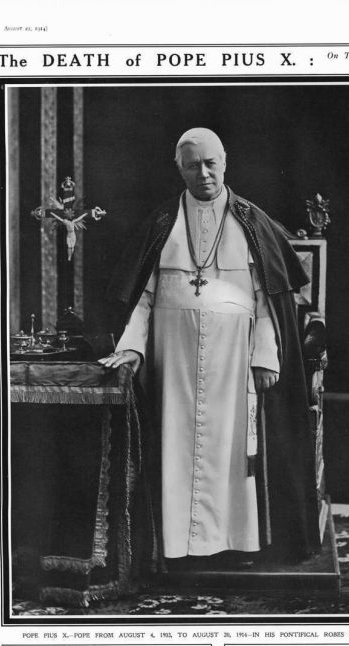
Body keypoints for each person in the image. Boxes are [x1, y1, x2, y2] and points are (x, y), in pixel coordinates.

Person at [100, 128, 320, 566]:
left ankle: (235, 542)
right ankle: (176, 546)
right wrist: (132, 347)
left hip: (234, 361)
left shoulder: (253, 222)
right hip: (173, 359)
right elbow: (143, 298)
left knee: (229, 450)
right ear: (179, 168)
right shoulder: (162, 222)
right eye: (192, 165)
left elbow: (270, 301)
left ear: (224, 162)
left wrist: (265, 355)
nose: (202, 173)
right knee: (177, 446)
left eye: (210, 163)